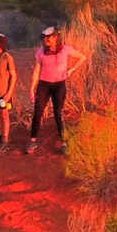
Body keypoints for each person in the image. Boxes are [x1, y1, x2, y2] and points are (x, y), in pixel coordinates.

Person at [26, 25, 83, 153]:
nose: (46, 40)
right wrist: (32, 88)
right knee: (38, 112)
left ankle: (63, 142)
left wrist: (72, 70)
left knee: (58, 113)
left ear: (56, 37)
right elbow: (36, 71)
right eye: (45, 37)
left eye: (49, 37)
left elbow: (82, 57)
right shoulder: (41, 52)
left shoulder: (65, 49)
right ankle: (32, 141)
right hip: (44, 85)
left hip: (59, 85)